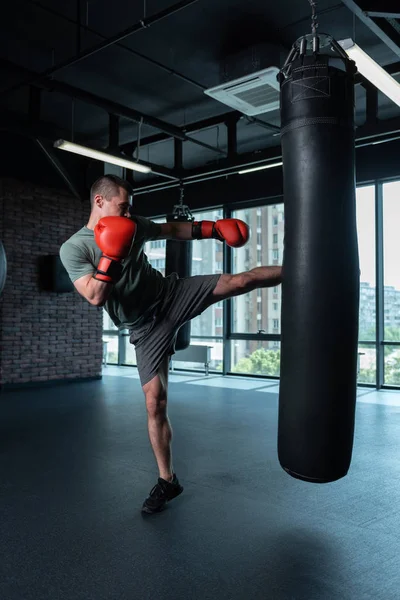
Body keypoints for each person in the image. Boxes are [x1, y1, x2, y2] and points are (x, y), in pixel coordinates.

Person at [60, 174, 282, 514]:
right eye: (122, 205)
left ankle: (307, 269)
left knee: (241, 281)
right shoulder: (74, 247)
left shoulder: (132, 224)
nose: (128, 212)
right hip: (143, 328)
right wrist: (112, 256)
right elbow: (94, 295)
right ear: (99, 202)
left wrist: (213, 230)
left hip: (172, 294)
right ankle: (168, 481)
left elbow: (170, 230)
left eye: (130, 207)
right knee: (155, 403)